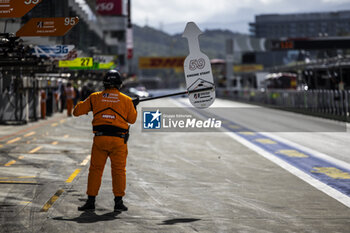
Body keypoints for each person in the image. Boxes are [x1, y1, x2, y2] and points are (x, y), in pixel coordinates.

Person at [73, 70, 139, 212]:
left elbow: (76, 111)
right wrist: (133, 106)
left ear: (104, 84)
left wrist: (85, 102)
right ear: (119, 84)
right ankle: (118, 202)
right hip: (118, 141)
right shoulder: (126, 100)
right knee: (119, 171)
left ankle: (90, 202)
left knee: (95, 170)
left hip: (100, 139)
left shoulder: (95, 97)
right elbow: (132, 120)